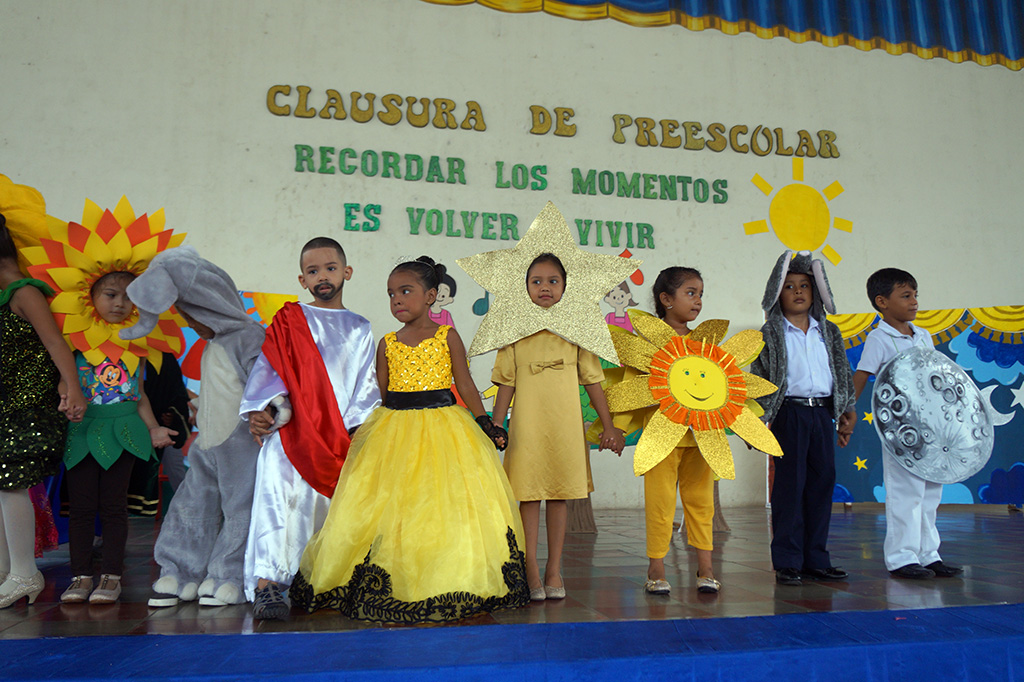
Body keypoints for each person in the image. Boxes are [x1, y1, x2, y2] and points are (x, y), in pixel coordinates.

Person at [291, 257, 528, 622]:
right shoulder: (387, 342)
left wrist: (484, 421)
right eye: (391, 294)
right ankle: (395, 570)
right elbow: (382, 394)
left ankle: (447, 573)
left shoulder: (447, 335)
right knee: (391, 504)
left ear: (431, 296)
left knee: (441, 504)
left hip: (445, 427)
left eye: (406, 291)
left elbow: (463, 381)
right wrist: (374, 432)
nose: (397, 300)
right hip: (395, 428)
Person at [119, 246, 266, 607]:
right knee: (191, 503)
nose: (189, 322)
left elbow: (267, 386)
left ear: (210, 305)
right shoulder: (215, 341)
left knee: (239, 507)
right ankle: (181, 570)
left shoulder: (249, 336)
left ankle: (229, 573)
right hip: (208, 442)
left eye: (191, 312)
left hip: (241, 441)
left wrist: (272, 410)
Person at [241, 237, 379, 619]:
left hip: (337, 441)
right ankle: (267, 586)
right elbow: (268, 372)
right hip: (291, 438)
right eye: (313, 271)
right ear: (302, 279)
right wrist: (264, 409)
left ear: (346, 273)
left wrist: (354, 432)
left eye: (330, 268)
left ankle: (322, 581)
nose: (322, 276)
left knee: (329, 514)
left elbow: (366, 387)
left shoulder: (360, 328)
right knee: (276, 507)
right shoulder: (288, 321)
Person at [491, 253, 624, 601]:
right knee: (529, 493)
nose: (545, 288)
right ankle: (531, 567)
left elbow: (593, 380)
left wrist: (607, 424)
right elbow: (506, 382)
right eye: (536, 282)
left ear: (565, 287)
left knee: (561, 493)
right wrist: (495, 424)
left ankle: (554, 568)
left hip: (564, 423)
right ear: (526, 289)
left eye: (553, 281)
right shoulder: (514, 331)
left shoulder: (576, 330)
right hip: (528, 422)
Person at [60, 271, 176, 604]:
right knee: (82, 508)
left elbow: (138, 394)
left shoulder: (136, 343)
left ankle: (111, 578)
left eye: (128, 296)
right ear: (89, 298)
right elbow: (64, 382)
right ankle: (80, 577)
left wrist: (153, 427)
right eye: (110, 294)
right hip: (83, 429)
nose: (119, 303)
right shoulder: (75, 340)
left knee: (113, 507)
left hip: (123, 431)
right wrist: (66, 398)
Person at [748, 251, 856, 586]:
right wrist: (754, 421)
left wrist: (846, 408)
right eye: (790, 286)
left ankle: (816, 559)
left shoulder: (829, 332)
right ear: (776, 293)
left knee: (821, 485)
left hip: (822, 412)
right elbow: (760, 376)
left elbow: (841, 369)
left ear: (817, 292)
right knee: (789, 488)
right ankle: (788, 560)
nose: (798, 292)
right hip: (789, 413)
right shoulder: (770, 333)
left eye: (805, 285)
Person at [853, 268, 962, 580]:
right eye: (906, 296)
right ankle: (902, 557)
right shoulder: (879, 337)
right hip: (901, 429)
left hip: (932, 427)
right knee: (906, 492)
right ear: (882, 302)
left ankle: (929, 554)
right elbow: (863, 373)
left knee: (930, 492)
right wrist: (845, 410)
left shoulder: (923, 335)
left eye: (915, 295)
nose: (914, 301)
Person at [0, 215, 86, 608]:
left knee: (11, 481)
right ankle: (6, 571)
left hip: (31, 406)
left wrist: (72, 388)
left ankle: (24, 572)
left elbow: (55, 345)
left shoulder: (25, 292)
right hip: (10, 406)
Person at [638, 267, 721, 595]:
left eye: (700, 293)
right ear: (666, 299)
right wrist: (616, 427)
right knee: (659, 503)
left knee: (702, 502)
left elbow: (719, 390)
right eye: (690, 292)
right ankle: (656, 567)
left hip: (701, 435)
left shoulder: (705, 344)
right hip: (660, 436)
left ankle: (706, 568)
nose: (698, 300)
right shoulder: (647, 342)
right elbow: (636, 388)